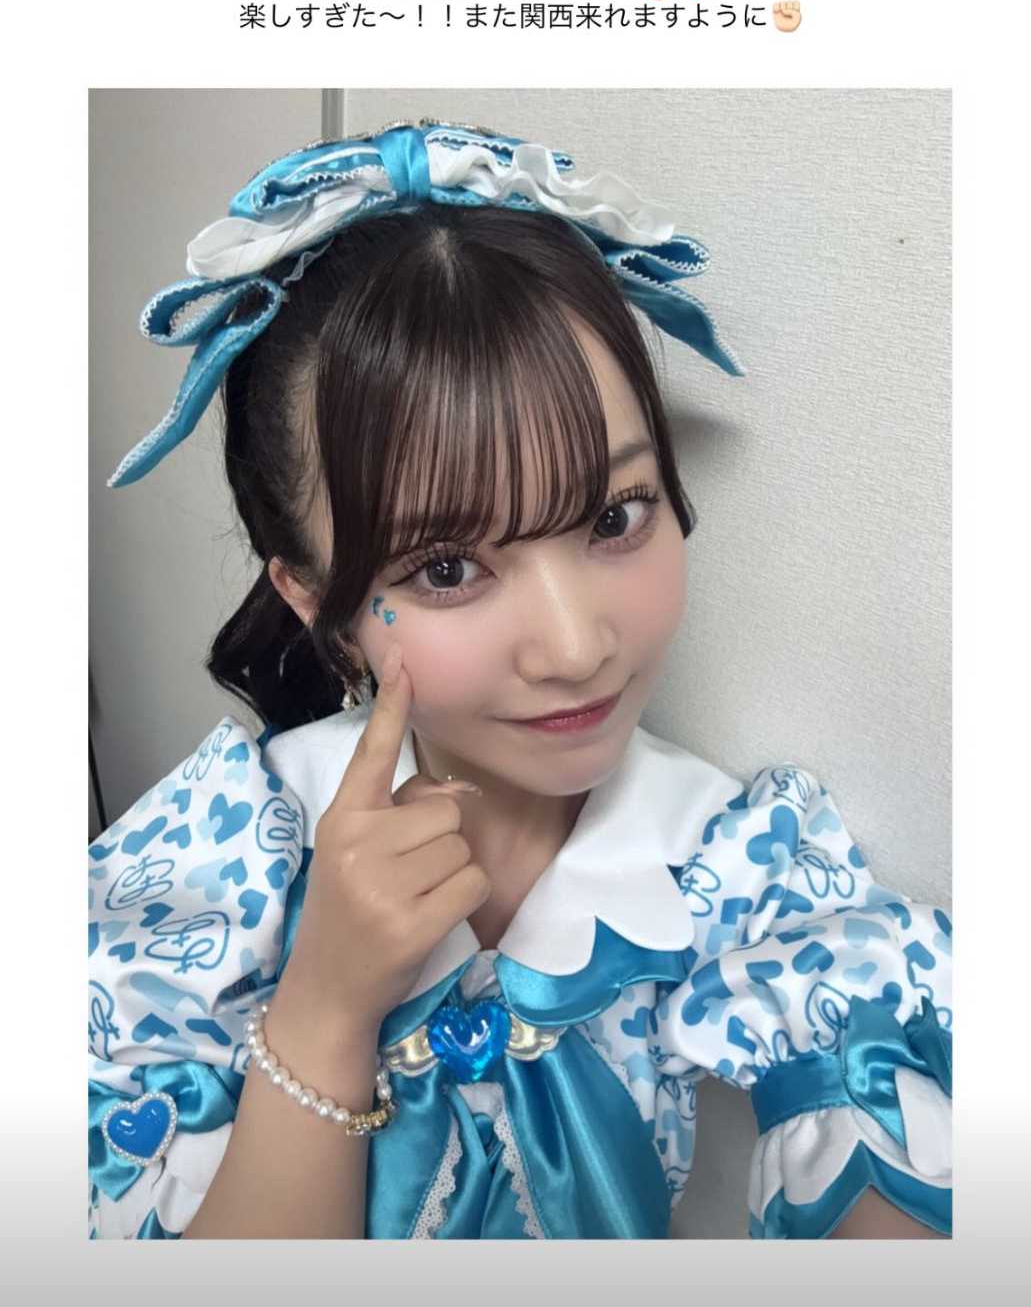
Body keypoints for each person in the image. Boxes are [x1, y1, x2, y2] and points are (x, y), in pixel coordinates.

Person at [89, 120, 952, 1240]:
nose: (576, 647)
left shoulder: (740, 866)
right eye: (447, 568)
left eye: (615, 516)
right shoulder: (225, 860)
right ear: (313, 598)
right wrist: (327, 1005)